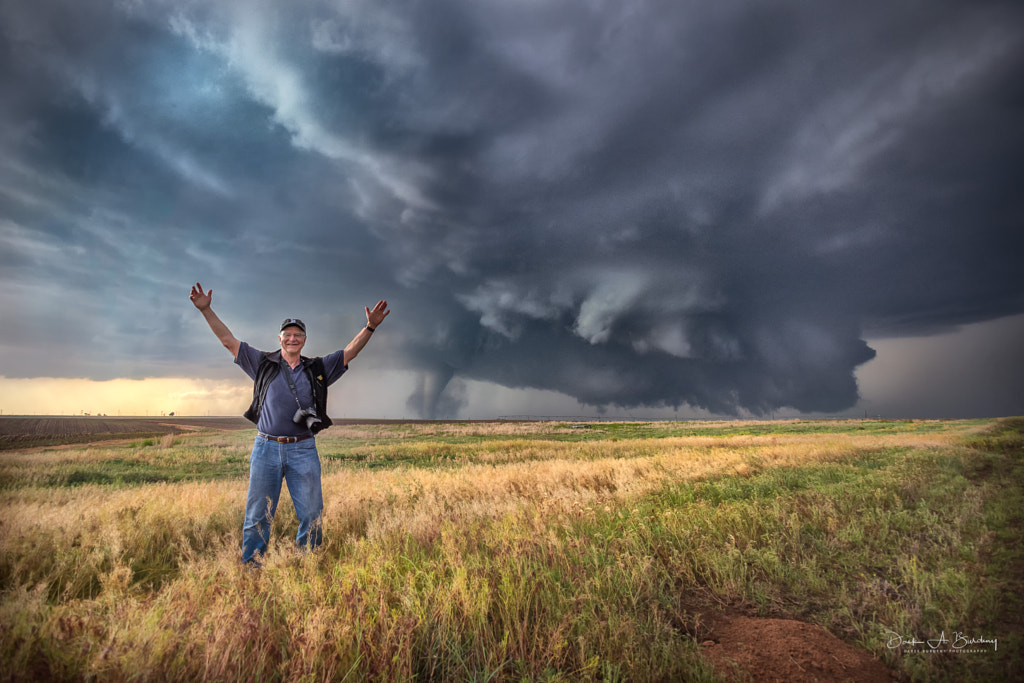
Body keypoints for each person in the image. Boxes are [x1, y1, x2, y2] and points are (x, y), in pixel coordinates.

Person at [189, 282, 389, 565]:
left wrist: (369, 328)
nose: (292, 339)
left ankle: (305, 565)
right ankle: (252, 568)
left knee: (311, 513)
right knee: (258, 515)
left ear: (304, 340)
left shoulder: (317, 369)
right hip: (265, 448)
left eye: (298, 335)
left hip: (303, 450)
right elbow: (228, 340)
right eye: (288, 334)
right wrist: (206, 310)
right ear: (279, 338)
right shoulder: (262, 363)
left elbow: (349, 353)